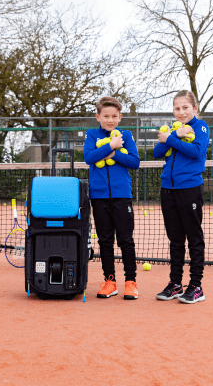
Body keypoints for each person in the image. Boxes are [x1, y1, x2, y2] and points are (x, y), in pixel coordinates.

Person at [153, 90, 210, 304]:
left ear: (195, 108)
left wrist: (171, 139)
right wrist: (174, 135)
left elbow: (196, 152)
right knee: (175, 239)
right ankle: (175, 284)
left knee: (194, 238)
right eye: (177, 108)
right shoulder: (172, 130)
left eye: (185, 107)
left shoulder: (201, 127)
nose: (181, 112)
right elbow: (157, 153)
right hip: (168, 189)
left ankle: (196, 286)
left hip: (190, 189)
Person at [84, 96, 140, 300]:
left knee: (126, 240)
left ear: (120, 117)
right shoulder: (92, 134)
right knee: (105, 241)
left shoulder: (126, 135)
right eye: (106, 116)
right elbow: (89, 157)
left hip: (121, 196)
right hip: (99, 197)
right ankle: (110, 282)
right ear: (98, 116)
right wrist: (110, 146)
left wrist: (113, 154)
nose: (110, 120)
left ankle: (130, 282)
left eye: (114, 116)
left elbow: (134, 162)